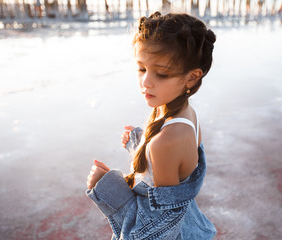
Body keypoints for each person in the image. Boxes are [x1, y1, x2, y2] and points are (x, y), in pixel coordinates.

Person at [86, 11, 216, 239]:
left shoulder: (165, 142)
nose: (146, 82)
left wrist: (107, 188)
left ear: (192, 77)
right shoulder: (184, 113)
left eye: (161, 73)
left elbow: (158, 230)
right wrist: (140, 145)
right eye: (142, 68)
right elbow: (174, 169)